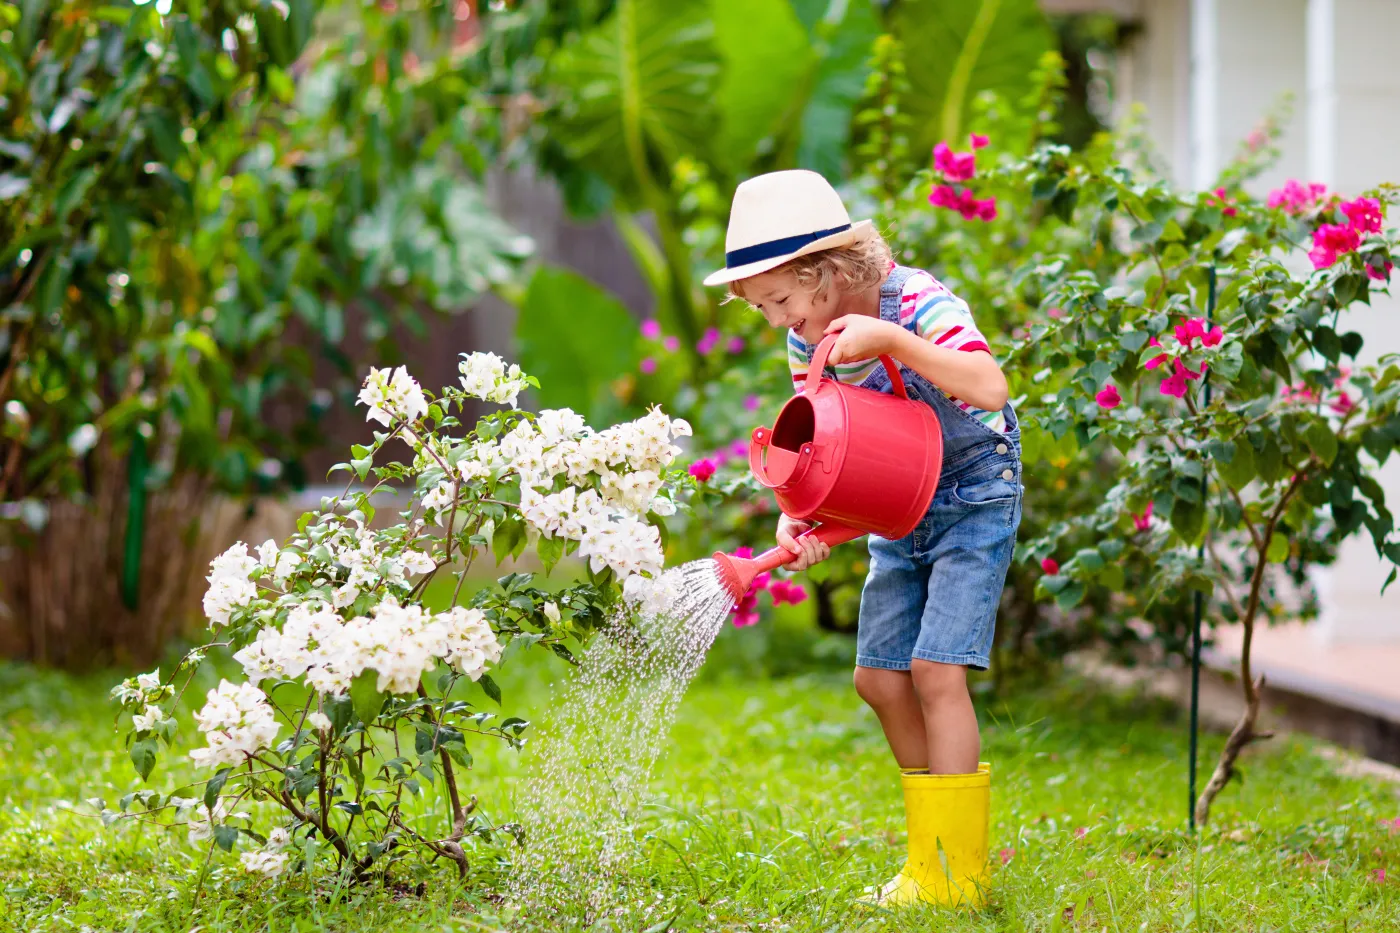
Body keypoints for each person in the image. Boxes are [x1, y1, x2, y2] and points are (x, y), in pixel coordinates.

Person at [703, 169, 1022, 909]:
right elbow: (827, 459)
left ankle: (959, 875)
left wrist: (893, 340)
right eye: (760, 308)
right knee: (879, 679)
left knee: (937, 671)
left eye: (779, 299)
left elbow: (989, 386)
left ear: (825, 272)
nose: (776, 320)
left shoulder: (914, 301)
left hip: (974, 491)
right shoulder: (802, 346)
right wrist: (800, 522)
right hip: (894, 505)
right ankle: (928, 860)